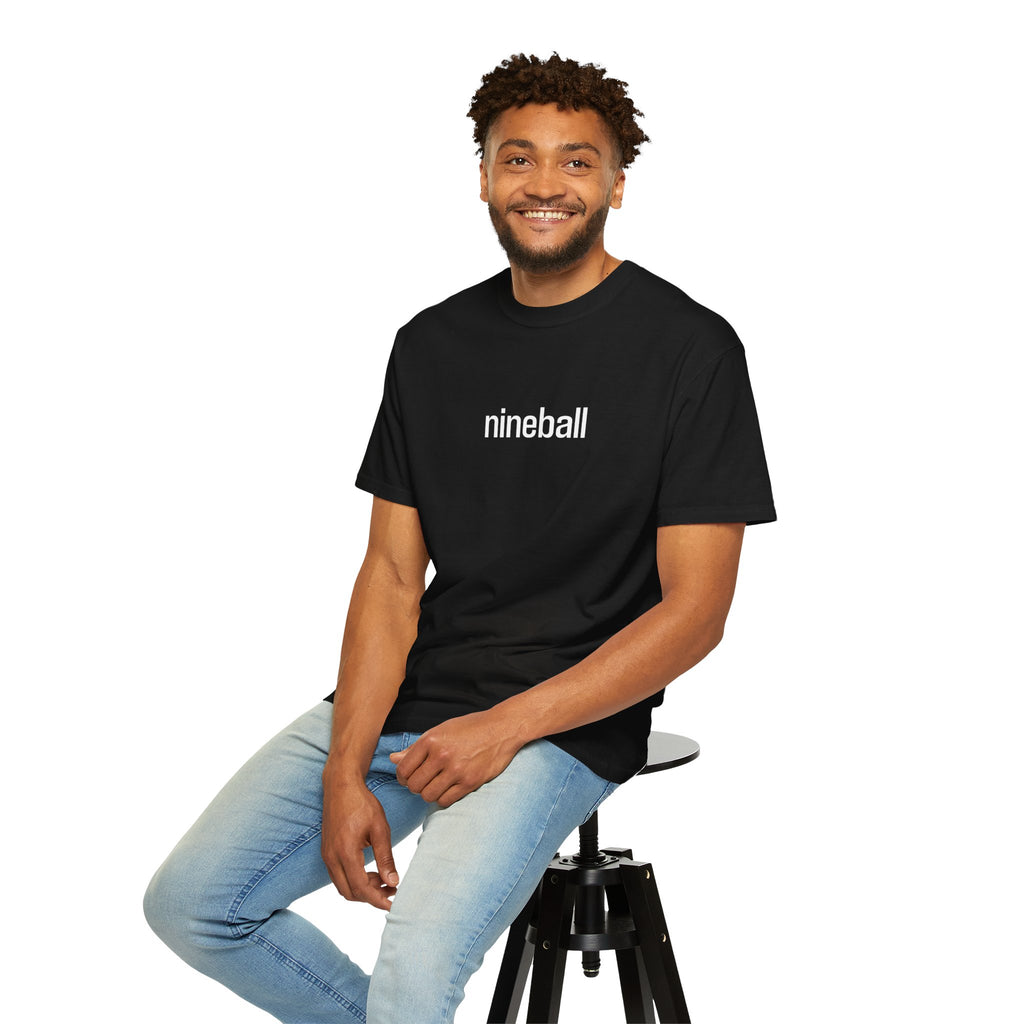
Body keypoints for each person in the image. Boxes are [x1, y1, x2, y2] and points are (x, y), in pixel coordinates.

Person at [143, 52, 776, 1023]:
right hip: (421, 697)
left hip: (566, 719)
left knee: (414, 978)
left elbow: (695, 614)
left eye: (576, 162)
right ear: (483, 176)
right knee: (195, 904)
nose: (544, 185)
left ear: (615, 183)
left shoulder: (688, 347)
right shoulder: (432, 346)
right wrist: (346, 768)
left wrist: (504, 729)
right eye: (517, 159)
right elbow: (392, 578)